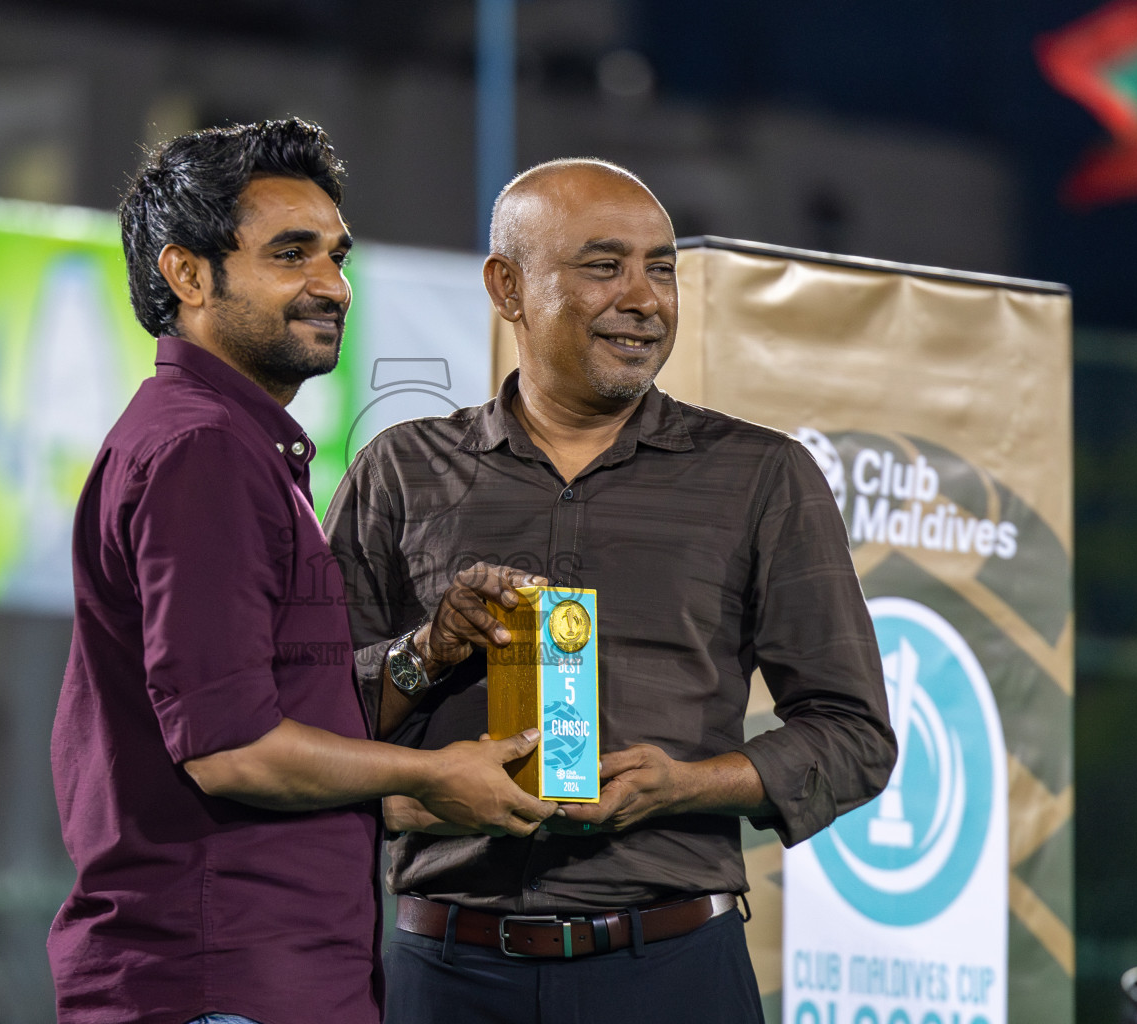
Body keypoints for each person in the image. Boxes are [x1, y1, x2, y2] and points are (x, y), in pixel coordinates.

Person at [323, 158, 897, 1023]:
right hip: (449, 972)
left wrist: (686, 785)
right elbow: (309, 721)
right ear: (507, 286)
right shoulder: (401, 472)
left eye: (661, 268)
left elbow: (855, 736)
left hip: (673, 970)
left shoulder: (761, 475)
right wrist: (426, 651)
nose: (645, 298)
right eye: (604, 266)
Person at [48, 118, 555, 1024]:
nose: (334, 285)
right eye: (293, 254)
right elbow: (229, 747)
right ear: (187, 273)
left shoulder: (222, 442)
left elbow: (277, 715)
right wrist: (435, 779)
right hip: (222, 984)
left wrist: (428, 654)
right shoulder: (201, 450)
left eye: (336, 255)